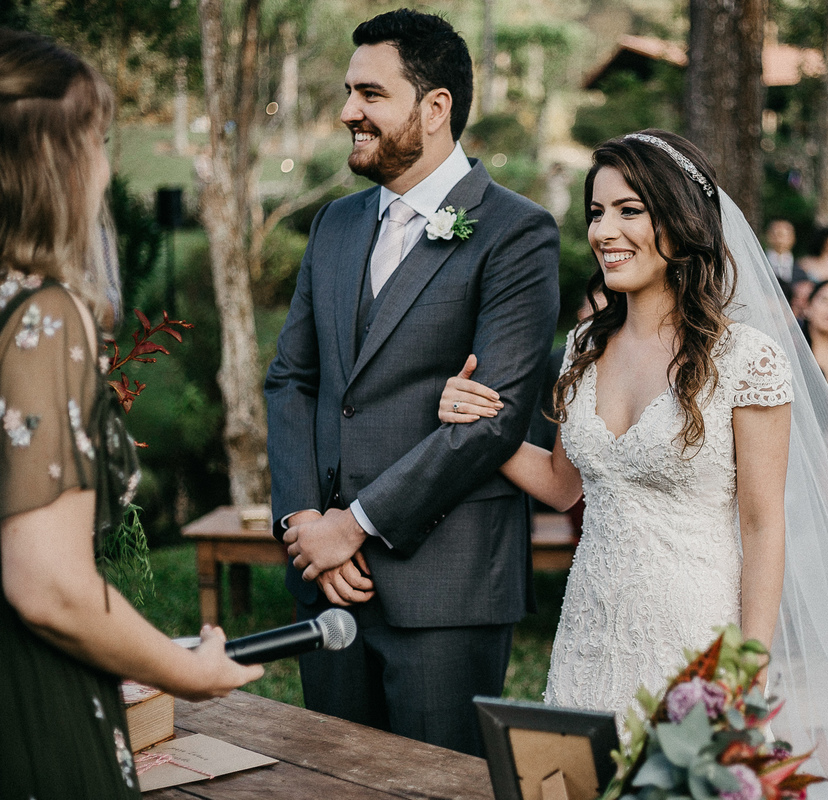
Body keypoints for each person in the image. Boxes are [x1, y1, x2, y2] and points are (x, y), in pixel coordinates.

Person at [438, 130, 828, 799]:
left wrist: (745, 668)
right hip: (590, 628)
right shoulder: (584, 345)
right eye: (596, 212)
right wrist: (481, 423)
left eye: (629, 210)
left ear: (681, 221)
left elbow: (762, 524)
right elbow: (559, 486)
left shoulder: (745, 359)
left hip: (696, 636)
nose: (604, 231)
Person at [264, 10, 560, 757]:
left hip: (445, 588)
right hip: (326, 581)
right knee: (331, 780)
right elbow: (293, 379)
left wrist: (353, 525)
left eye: (370, 93)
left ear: (435, 107)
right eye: (348, 91)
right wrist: (306, 524)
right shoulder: (334, 225)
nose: (347, 111)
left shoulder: (515, 233)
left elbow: (494, 419)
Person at [0, 30, 262, 799]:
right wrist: (186, 670)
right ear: (50, 160)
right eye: (96, 141)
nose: (107, 168)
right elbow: (49, 587)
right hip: (27, 702)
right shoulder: (43, 316)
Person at [765, 218, 798, 283]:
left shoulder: (801, 269)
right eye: (775, 233)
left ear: (793, 238)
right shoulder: (757, 263)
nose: (779, 238)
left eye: (784, 234)